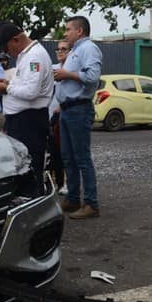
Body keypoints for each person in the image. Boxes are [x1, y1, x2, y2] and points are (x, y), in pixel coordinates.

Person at [0, 23, 54, 194]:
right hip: (22, 121)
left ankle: (35, 207)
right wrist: (8, 83)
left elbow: (31, 92)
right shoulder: (26, 56)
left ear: (16, 40)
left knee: (30, 167)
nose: (7, 53)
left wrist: (6, 88)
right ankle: (28, 201)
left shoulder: (34, 57)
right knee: (21, 167)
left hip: (29, 122)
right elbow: (26, 85)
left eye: (7, 48)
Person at [53, 16, 102, 220]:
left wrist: (67, 75)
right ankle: (73, 199)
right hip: (66, 110)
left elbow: (92, 77)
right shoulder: (75, 51)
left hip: (79, 109)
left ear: (79, 31)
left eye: (68, 29)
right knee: (68, 158)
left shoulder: (88, 48)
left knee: (81, 158)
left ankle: (91, 204)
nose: (65, 33)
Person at [49, 41, 71, 194]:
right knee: (54, 152)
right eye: (58, 49)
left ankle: (69, 184)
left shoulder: (72, 71)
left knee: (68, 152)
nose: (60, 51)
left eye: (64, 49)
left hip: (66, 115)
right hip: (50, 116)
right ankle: (58, 183)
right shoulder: (52, 69)